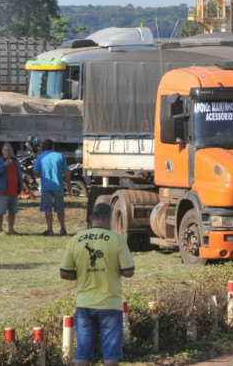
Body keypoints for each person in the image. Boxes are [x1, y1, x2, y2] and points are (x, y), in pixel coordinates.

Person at [60, 203, 135, 366]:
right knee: (110, 354)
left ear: (91, 219)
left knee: (83, 353)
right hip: (110, 304)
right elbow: (129, 271)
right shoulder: (117, 240)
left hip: (84, 304)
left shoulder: (75, 240)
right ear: (109, 219)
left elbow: (64, 272)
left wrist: (82, 273)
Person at [34, 139, 70, 236]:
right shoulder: (60, 156)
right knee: (60, 209)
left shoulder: (40, 157)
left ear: (43, 147)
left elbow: (36, 172)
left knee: (47, 209)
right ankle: (62, 228)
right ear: (53, 146)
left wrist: (42, 173)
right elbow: (66, 171)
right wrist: (69, 185)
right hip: (58, 186)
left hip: (46, 186)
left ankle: (50, 229)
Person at [0, 142, 23, 235]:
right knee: (0, 212)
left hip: (14, 192)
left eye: (10, 150)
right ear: (2, 151)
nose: (8, 152)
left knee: (12, 212)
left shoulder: (16, 161)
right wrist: (4, 165)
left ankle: (11, 229)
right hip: (3, 192)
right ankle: (0, 230)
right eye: (6, 150)